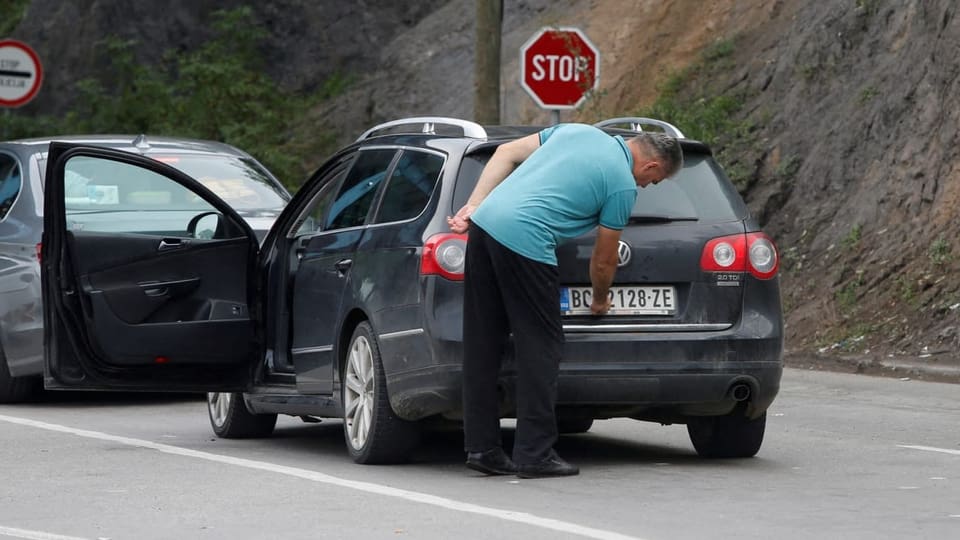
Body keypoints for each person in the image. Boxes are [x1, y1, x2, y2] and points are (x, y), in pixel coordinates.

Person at [447, 123, 683, 479]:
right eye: (654, 180)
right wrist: (600, 300)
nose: (647, 186)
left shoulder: (577, 131)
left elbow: (504, 153)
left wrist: (474, 206)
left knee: (484, 343)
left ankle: (483, 449)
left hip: (484, 227)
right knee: (541, 347)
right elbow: (604, 260)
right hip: (525, 241)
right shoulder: (621, 183)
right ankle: (534, 453)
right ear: (651, 166)